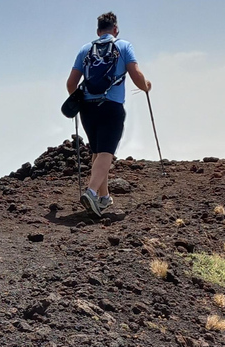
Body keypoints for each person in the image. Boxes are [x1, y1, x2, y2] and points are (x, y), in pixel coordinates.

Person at [66, 12, 151, 217]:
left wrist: (81, 100)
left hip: (87, 108)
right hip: (111, 106)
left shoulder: (85, 50)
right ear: (115, 29)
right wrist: (146, 86)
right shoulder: (123, 46)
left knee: (97, 151)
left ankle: (104, 198)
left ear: (98, 31)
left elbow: (71, 84)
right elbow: (136, 75)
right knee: (106, 152)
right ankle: (92, 192)